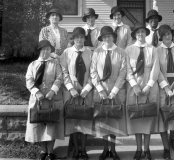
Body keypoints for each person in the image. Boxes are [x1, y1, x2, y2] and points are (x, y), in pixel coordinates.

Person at [91, 26, 127, 160]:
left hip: (115, 90)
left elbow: (123, 72)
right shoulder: (97, 52)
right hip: (101, 90)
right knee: (103, 120)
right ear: (102, 38)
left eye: (109, 36)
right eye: (104, 37)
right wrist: (100, 89)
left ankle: (113, 149)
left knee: (114, 120)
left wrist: (114, 91)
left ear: (113, 37)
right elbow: (93, 71)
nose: (107, 39)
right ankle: (105, 150)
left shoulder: (121, 52)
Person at [125, 23, 160, 160]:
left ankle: (147, 149)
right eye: (138, 32)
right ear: (134, 35)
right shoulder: (128, 50)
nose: (140, 34)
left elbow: (155, 68)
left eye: (143, 32)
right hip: (134, 86)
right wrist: (134, 85)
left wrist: (149, 85)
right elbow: (127, 69)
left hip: (148, 86)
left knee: (147, 117)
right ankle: (138, 149)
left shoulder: (152, 49)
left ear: (146, 34)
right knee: (137, 117)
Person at [25, 40, 64, 160]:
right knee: (40, 124)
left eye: (48, 49)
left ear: (50, 51)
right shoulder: (33, 64)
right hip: (38, 100)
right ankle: (43, 151)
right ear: (39, 51)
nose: (45, 51)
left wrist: (53, 91)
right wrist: (37, 92)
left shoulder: (55, 63)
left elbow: (59, 77)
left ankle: (50, 152)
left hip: (52, 99)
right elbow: (29, 80)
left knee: (51, 124)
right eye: (43, 49)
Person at [60, 27, 93, 160]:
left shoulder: (90, 52)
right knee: (73, 118)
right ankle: (75, 148)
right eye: (77, 37)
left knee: (84, 118)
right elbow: (64, 71)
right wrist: (70, 88)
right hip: (72, 89)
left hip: (86, 88)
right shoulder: (67, 53)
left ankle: (83, 149)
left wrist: (87, 88)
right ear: (73, 39)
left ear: (85, 38)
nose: (79, 40)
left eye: (82, 37)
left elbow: (93, 72)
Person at [156, 24, 174, 159]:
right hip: (163, 87)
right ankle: (166, 147)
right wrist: (166, 87)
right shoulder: (156, 51)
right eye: (164, 35)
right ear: (161, 37)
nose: (167, 36)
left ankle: (173, 137)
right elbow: (157, 71)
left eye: (169, 34)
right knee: (164, 116)